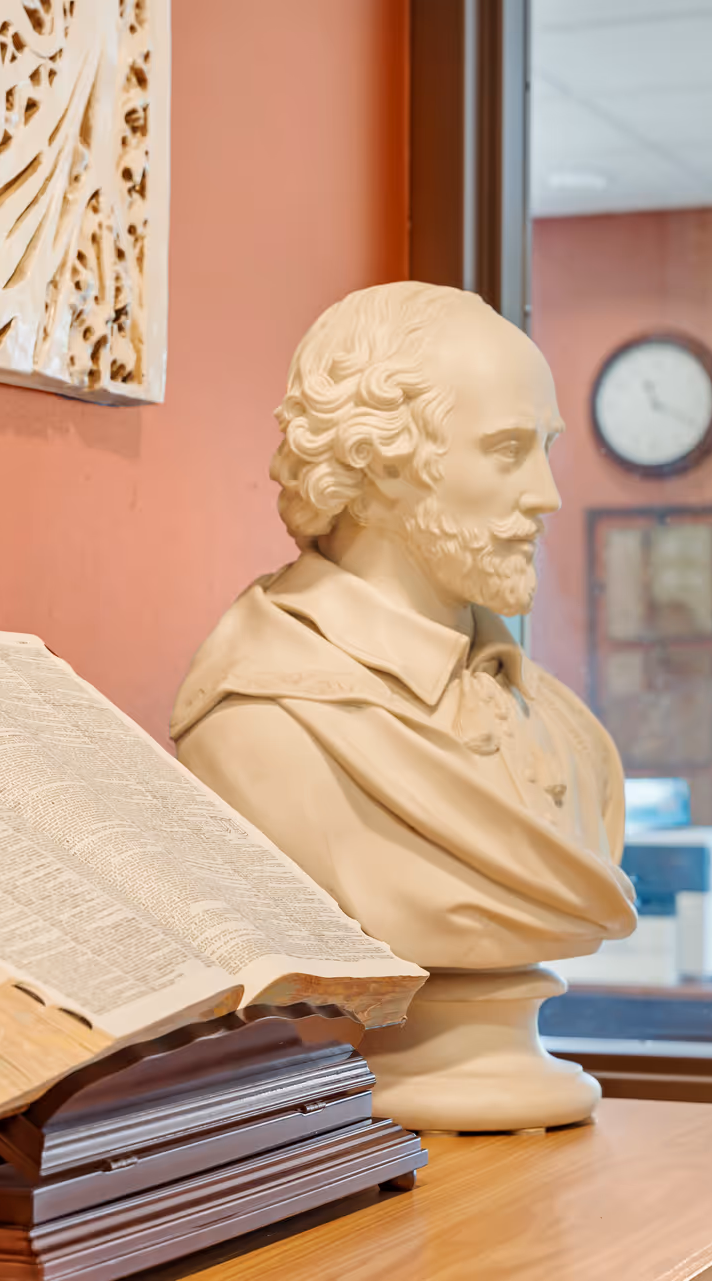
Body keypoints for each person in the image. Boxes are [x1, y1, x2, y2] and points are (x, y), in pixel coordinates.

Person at [172, 281, 637, 1129]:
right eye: (506, 450)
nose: (547, 495)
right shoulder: (262, 721)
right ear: (379, 462)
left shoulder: (566, 730)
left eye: (546, 449)